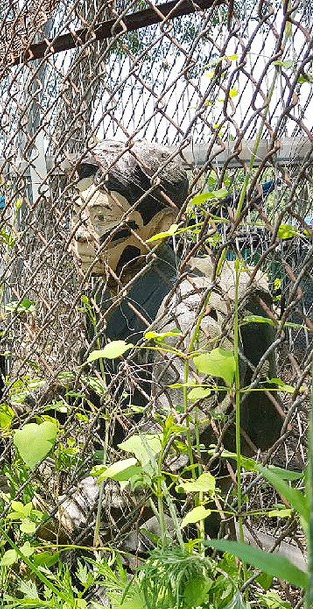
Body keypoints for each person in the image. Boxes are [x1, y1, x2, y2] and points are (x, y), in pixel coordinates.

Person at [44, 139, 284, 541]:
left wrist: (63, 522)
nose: (81, 235)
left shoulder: (195, 306)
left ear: (160, 224)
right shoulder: (110, 289)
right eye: (77, 215)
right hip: (127, 476)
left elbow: (170, 440)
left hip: (190, 499)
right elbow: (88, 387)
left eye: (102, 216)